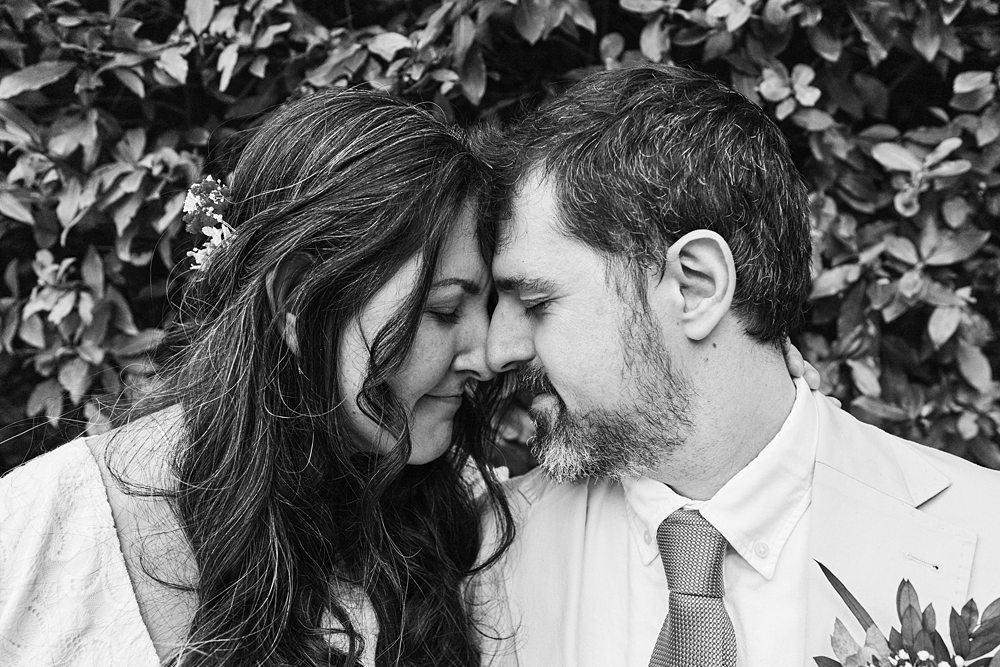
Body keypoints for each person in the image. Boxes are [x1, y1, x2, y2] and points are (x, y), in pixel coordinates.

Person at [478, 64, 1000, 666]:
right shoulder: (486, 552)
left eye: (537, 302)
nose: (499, 349)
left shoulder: (986, 537)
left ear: (696, 286)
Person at [0, 89, 516, 667]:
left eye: (490, 308)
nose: (489, 355)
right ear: (297, 297)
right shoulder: (36, 533)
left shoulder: (461, 525)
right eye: (444, 311)